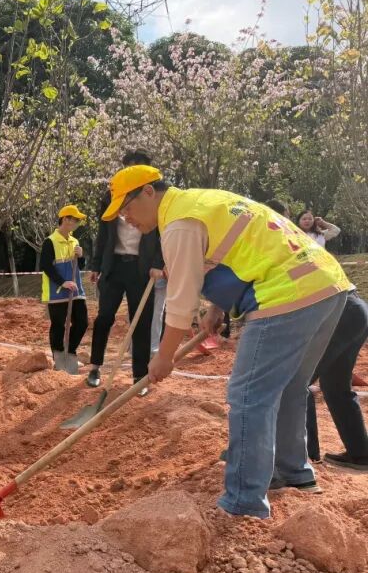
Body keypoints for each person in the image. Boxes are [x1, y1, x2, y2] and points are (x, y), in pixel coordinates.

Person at [109, 165, 351, 519]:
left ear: (148, 192)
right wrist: (218, 308)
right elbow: (240, 248)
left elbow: (181, 297)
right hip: (327, 284)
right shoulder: (202, 201)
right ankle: (292, 473)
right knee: (288, 388)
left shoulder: (178, 222)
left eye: (126, 207)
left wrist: (165, 355)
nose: (126, 218)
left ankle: (243, 502)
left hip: (286, 293)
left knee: (248, 396)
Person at [89, 151, 165, 388]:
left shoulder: (157, 200)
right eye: (127, 169)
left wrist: (158, 263)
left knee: (141, 322)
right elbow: (103, 234)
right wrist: (96, 264)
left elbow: (164, 234)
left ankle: (139, 377)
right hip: (114, 267)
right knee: (104, 318)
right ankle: (94, 367)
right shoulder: (110, 197)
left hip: (142, 270)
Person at [305, 292, 368, 472]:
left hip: (335, 313)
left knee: (297, 384)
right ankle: (361, 453)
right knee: (335, 385)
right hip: (356, 309)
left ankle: (304, 456)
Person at [40, 206, 89, 373]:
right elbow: (46, 266)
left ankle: (70, 352)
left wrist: (81, 256)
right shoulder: (50, 242)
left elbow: (80, 266)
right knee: (59, 325)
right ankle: (59, 358)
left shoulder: (75, 241)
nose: (78, 223)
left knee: (82, 322)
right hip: (57, 292)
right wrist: (62, 282)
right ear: (66, 219)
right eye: (76, 219)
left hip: (76, 291)